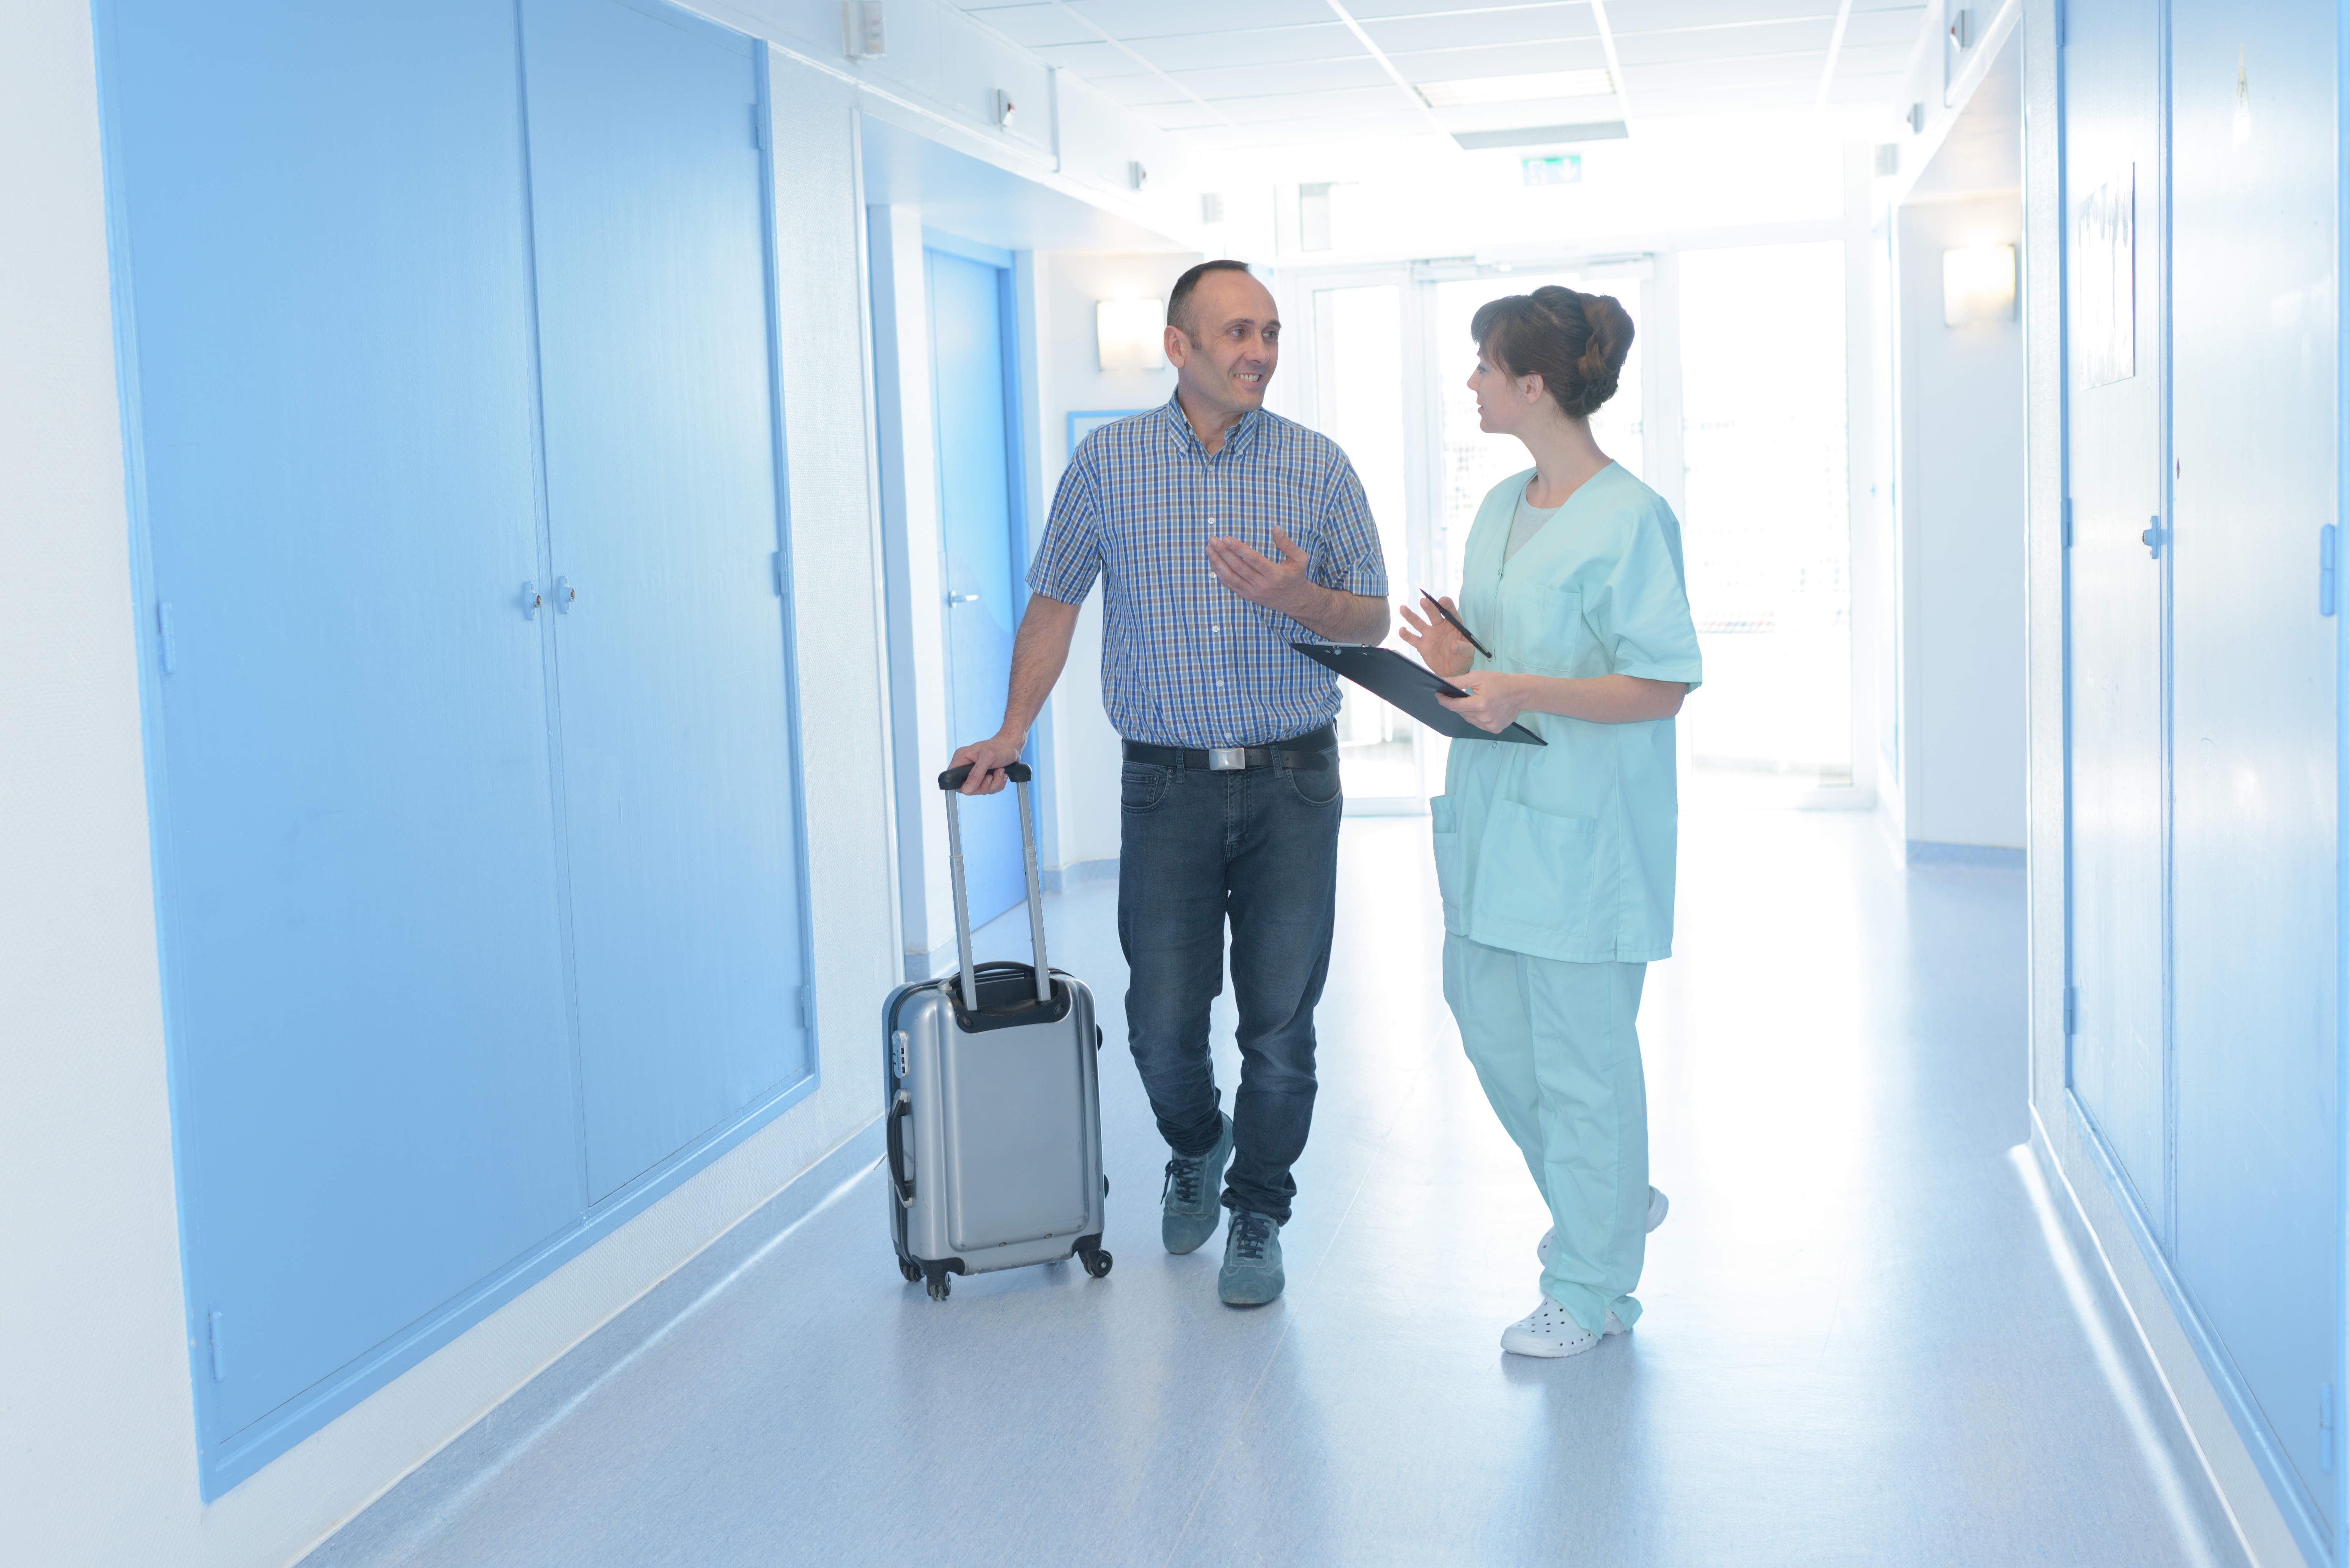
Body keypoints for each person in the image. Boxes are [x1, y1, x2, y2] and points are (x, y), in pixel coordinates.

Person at [948, 259, 1389, 1307]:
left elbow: (1370, 617)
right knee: (1159, 1022)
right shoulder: (1105, 464)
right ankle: (1196, 1140)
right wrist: (1011, 729)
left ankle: (1257, 1211)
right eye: (1238, 332)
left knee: (1280, 1024)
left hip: (1294, 782)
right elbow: (1054, 603)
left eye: (1272, 333)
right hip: (1166, 786)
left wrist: (1305, 599)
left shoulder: (1318, 467)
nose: (1260, 353)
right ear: (1178, 345)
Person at [1398, 286, 1700, 1359]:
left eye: (1484, 367)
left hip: (1583, 834)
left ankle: (1590, 1285)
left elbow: (1658, 685)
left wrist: (1517, 685)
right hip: (1493, 819)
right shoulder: (1498, 508)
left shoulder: (1630, 517)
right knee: (1488, 1031)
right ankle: (1611, 1194)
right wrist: (1457, 665)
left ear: (1532, 385)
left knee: (1579, 1062)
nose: (1471, 384)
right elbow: (1496, 664)